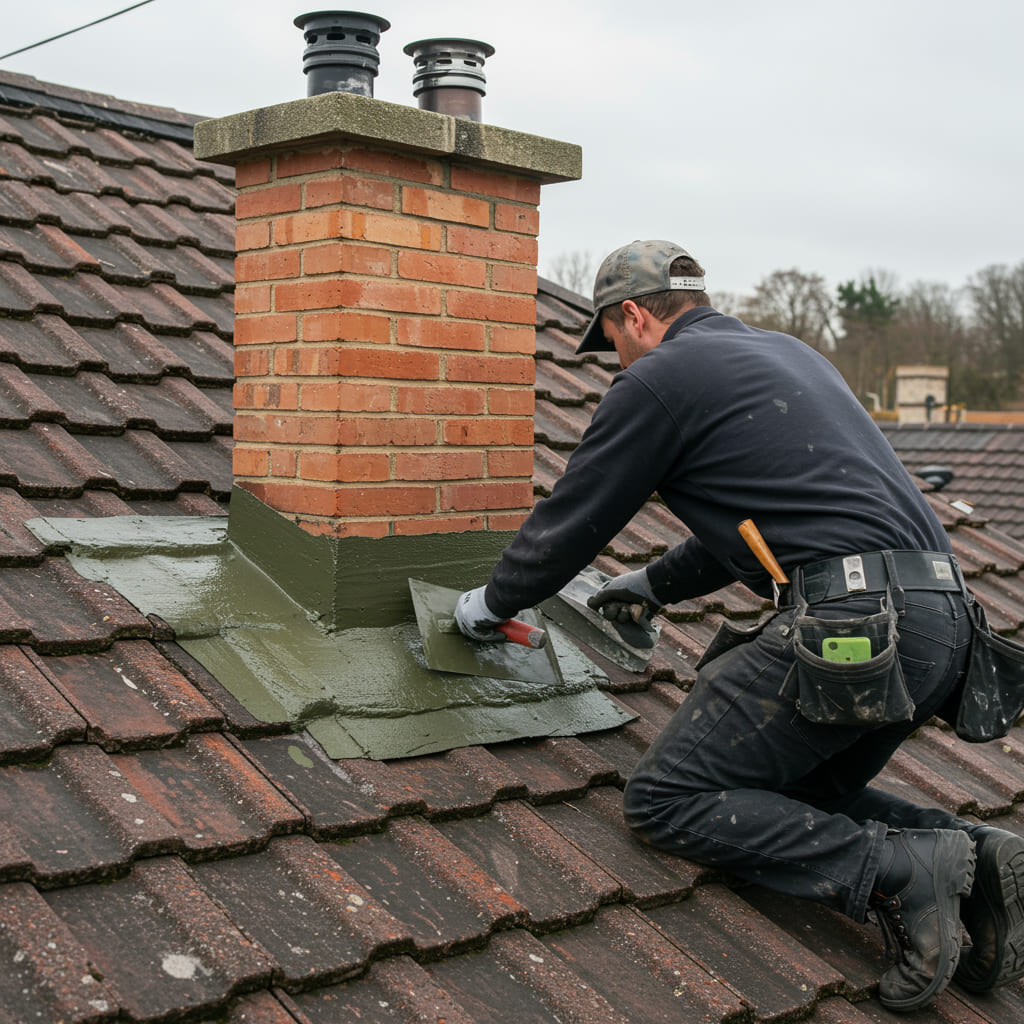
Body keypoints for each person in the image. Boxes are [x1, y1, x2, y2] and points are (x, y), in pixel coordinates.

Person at [454, 239, 1024, 1011]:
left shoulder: (658, 380)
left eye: (613, 341)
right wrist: (651, 584)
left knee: (668, 798)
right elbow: (773, 522)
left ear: (633, 316)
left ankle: (903, 869)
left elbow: (576, 513)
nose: (617, 361)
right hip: (945, 627)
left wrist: (490, 605)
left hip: (858, 624)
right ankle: (980, 858)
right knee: (778, 792)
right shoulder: (790, 355)